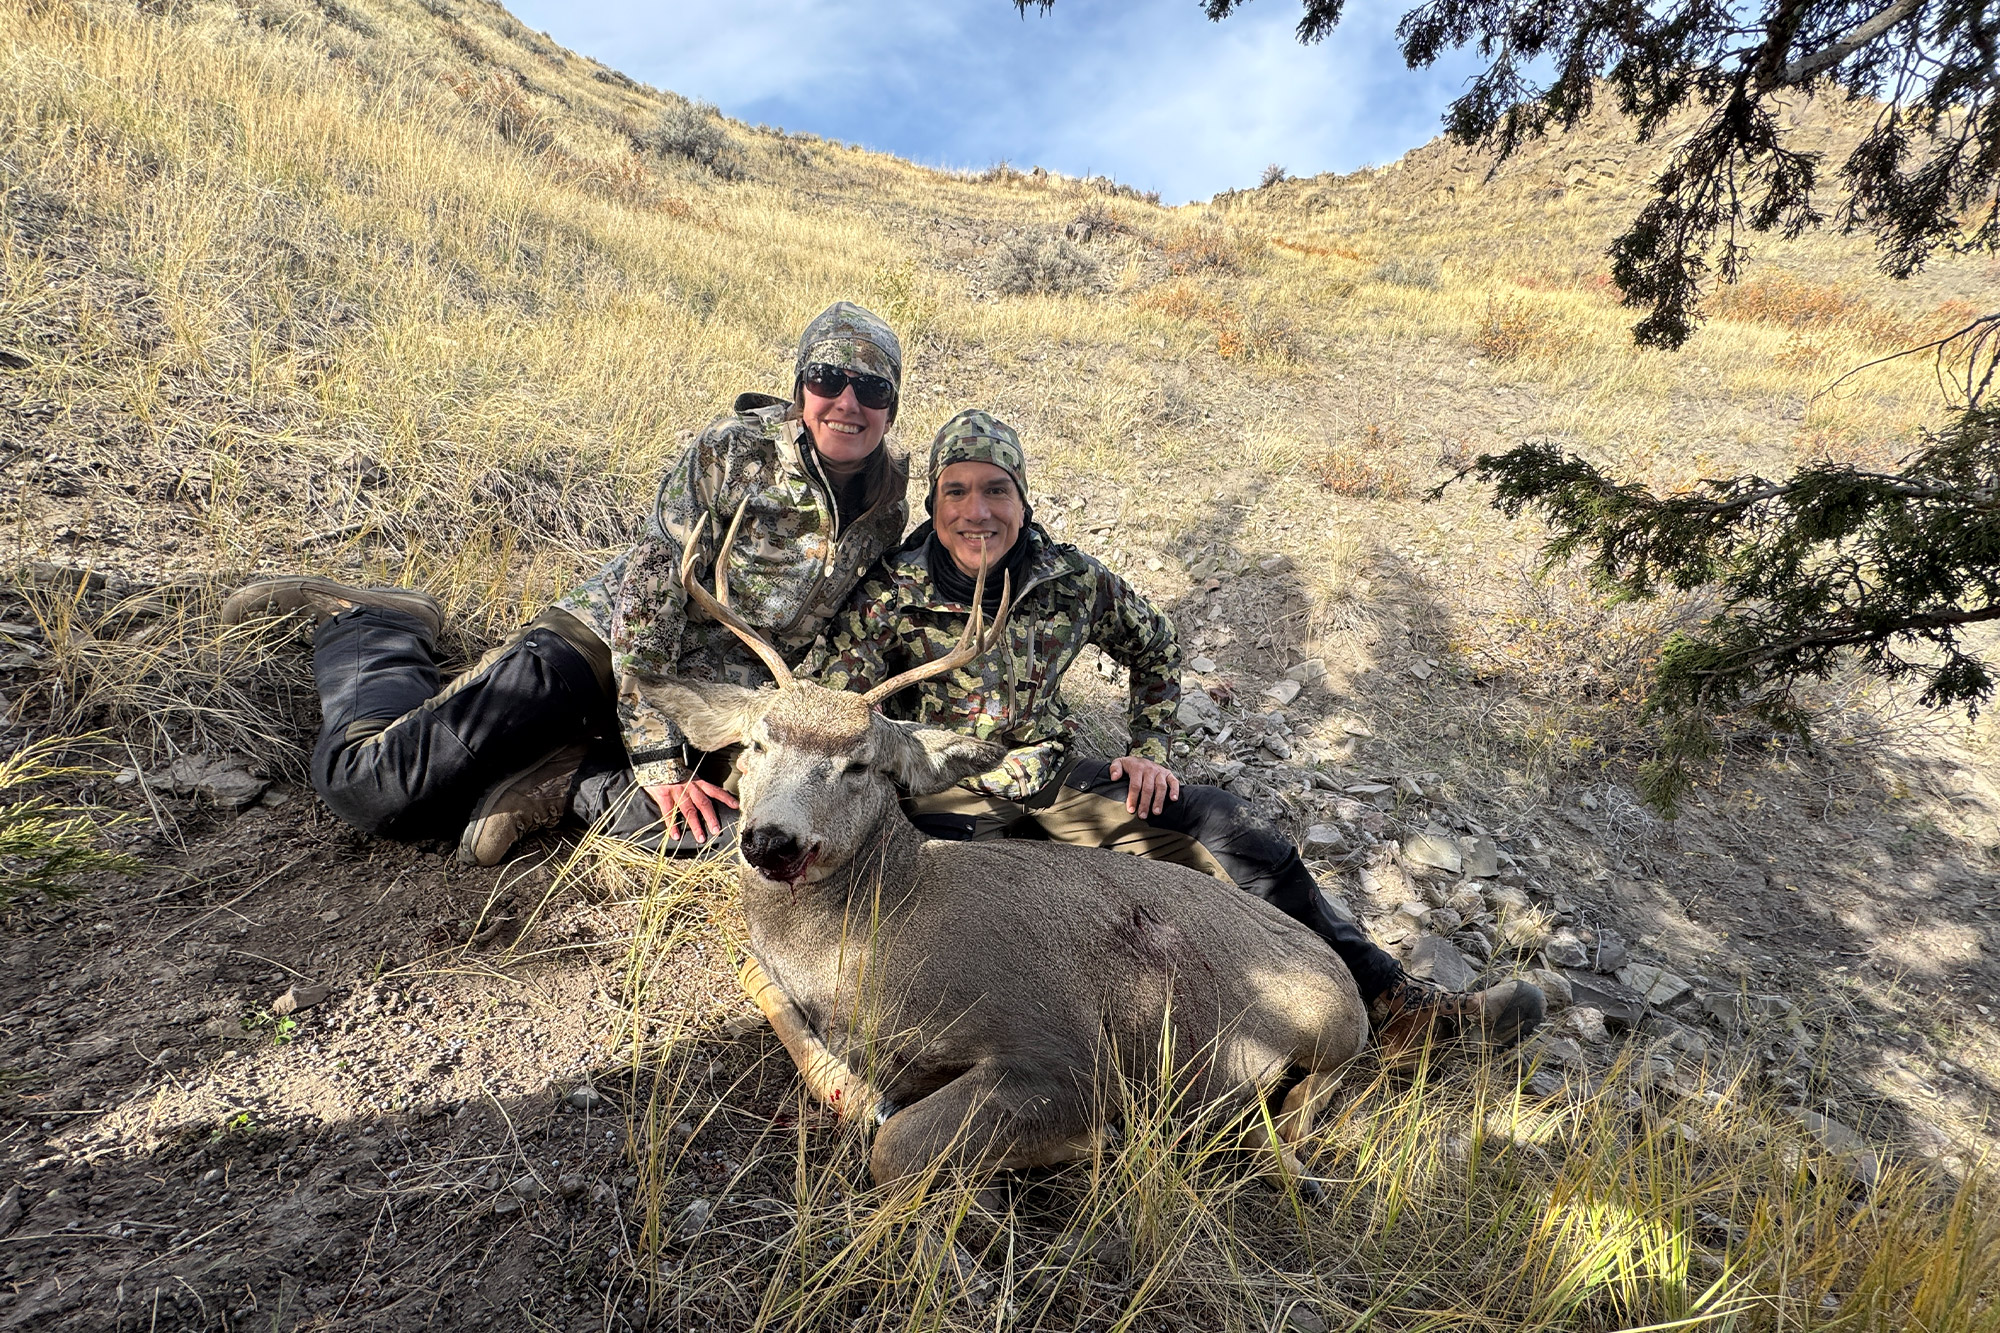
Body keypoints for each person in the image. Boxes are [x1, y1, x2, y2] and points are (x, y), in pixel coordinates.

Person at [804, 409, 1544, 1056]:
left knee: (1227, 829)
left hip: (1051, 783)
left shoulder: (1069, 579)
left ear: (1024, 501)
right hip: (941, 801)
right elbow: (835, 717)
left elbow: (1155, 646)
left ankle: (1395, 1004)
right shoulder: (889, 592)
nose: (977, 511)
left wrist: (1149, 750)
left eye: (997, 489)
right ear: (932, 504)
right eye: (956, 491)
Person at [221, 302, 912, 863]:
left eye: (872, 388)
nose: (847, 402)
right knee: (375, 788)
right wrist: (655, 756)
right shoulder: (734, 450)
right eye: (827, 379)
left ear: (891, 406)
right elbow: (648, 594)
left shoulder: (887, 508)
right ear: (800, 387)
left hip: (719, 702)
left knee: (752, 839)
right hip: (599, 648)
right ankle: (375, 625)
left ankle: (563, 776)